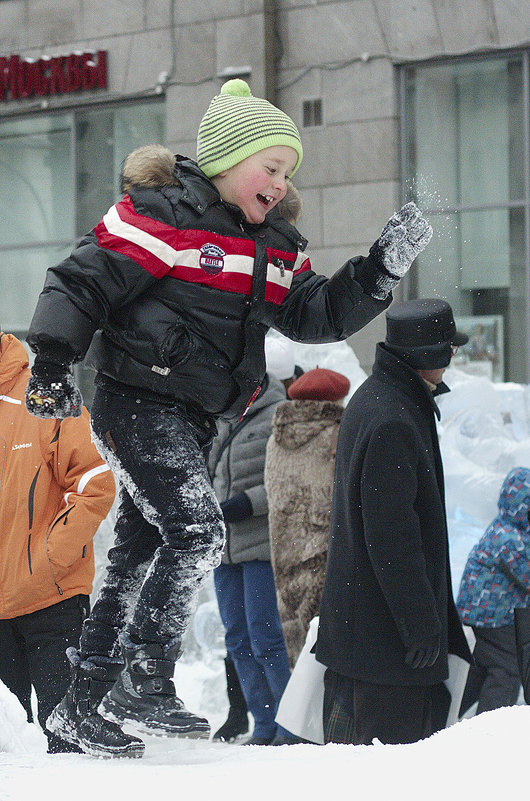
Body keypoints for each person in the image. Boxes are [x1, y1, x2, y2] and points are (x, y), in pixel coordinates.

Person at [24, 78, 432, 758]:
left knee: (137, 547)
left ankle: (81, 702)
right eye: (269, 167)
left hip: (190, 416)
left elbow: (314, 314)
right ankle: (146, 673)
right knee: (196, 530)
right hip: (134, 395)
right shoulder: (164, 217)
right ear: (225, 159)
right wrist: (53, 360)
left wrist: (378, 271)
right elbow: (81, 280)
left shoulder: (273, 245)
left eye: (287, 174)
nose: (278, 183)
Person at [316, 298, 473, 746]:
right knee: (389, 779)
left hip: (364, 641)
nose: (454, 356)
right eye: (448, 348)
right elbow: (392, 540)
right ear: (428, 356)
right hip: (386, 652)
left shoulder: (384, 397)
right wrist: (421, 626)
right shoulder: (393, 418)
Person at [0, 331, 115, 754]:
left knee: (66, 744)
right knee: (7, 754)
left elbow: (95, 484)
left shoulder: (43, 397)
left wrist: (50, 558)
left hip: (52, 599)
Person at [209, 338, 297, 746]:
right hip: (224, 547)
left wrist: (247, 504)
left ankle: (288, 726)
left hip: (259, 543)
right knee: (237, 638)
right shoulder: (225, 415)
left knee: (266, 636)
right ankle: (262, 724)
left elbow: (289, 481)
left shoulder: (280, 416)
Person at [265, 366, 350, 668]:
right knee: (330, 655)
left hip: (285, 554)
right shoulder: (337, 435)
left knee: (299, 652)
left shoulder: (276, 438)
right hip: (325, 552)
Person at [457, 467, 530, 715]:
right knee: (508, 667)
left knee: (485, 662)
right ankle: (491, 726)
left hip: (487, 613)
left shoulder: (507, 529)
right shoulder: (510, 539)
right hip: (493, 614)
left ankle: (448, 709)